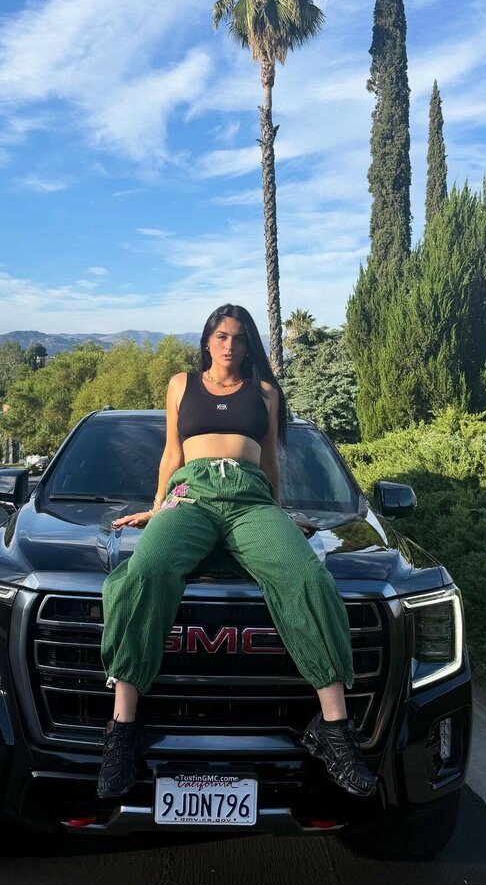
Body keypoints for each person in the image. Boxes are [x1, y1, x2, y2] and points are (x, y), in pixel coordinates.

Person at [97, 303, 378, 801]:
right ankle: (124, 727)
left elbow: (269, 461)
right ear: (208, 340)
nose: (230, 345)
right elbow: (171, 453)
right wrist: (157, 509)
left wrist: (281, 513)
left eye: (240, 338)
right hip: (191, 496)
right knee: (144, 572)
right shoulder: (181, 384)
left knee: (307, 576)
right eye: (222, 336)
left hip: (251, 502)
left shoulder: (265, 392)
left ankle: (334, 727)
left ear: (250, 346)